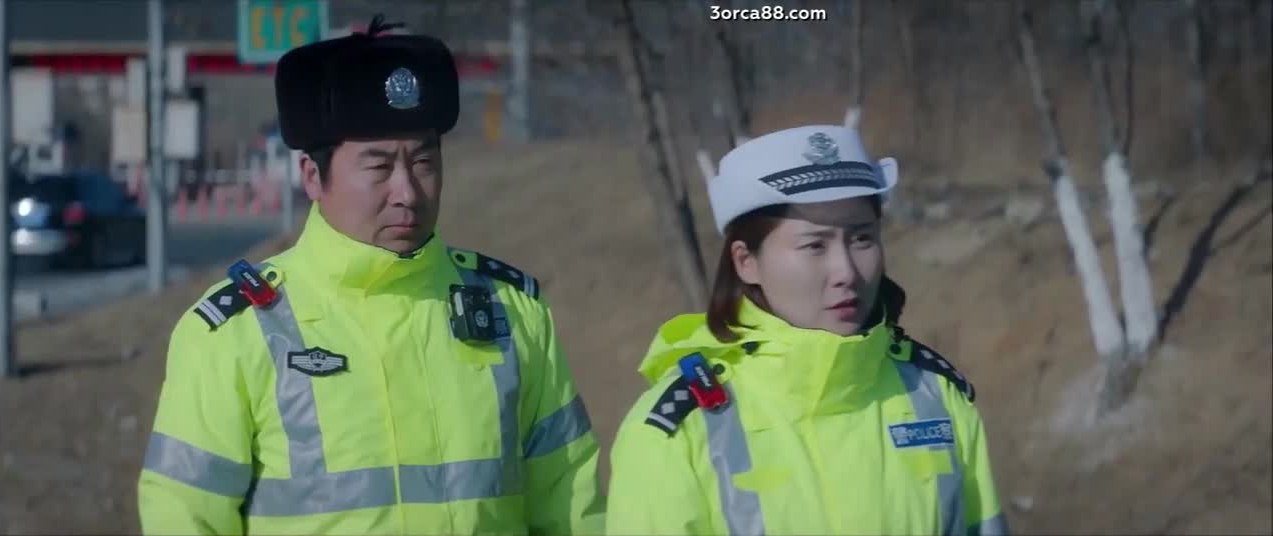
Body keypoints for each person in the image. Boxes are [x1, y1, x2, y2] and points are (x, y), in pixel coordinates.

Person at [137, 16, 604, 535]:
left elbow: (572, 508)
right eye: (379, 167)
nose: (407, 191)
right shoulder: (237, 333)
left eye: (423, 162)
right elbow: (184, 516)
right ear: (312, 176)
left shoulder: (513, 314)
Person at [605, 125, 1008, 535]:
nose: (846, 271)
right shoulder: (678, 432)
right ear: (746, 262)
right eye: (815, 245)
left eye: (862, 239)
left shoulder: (936, 396)